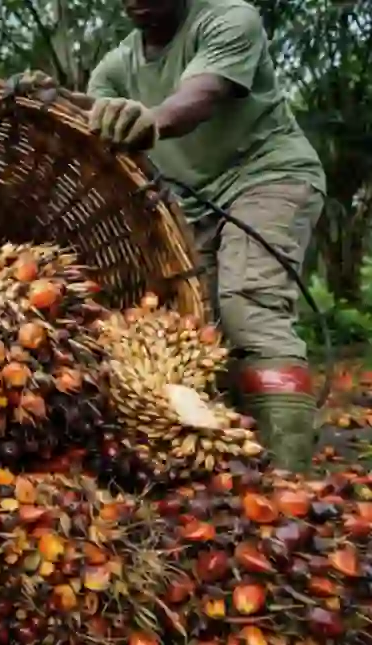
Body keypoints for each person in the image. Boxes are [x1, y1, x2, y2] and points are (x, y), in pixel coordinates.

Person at [80, 0, 326, 472]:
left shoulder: (230, 18)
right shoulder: (115, 67)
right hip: (190, 204)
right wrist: (51, 99)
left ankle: (289, 478)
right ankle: (232, 459)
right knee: (199, 329)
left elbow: (202, 94)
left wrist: (152, 121)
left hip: (267, 176)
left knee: (247, 305)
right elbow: (93, 115)